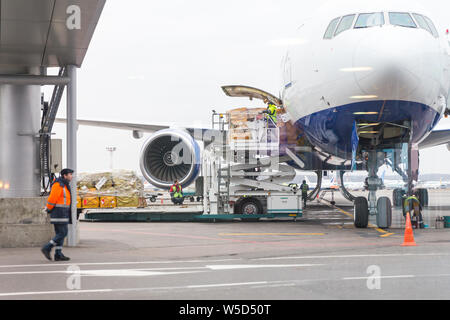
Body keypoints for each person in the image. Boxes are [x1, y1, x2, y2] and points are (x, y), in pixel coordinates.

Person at [41, 168, 74, 261]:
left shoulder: (64, 184)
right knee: (63, 233)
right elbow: (52, 199)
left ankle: (58, 254)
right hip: (59, 213)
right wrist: (48, 209)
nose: (72, 176)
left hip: (63, 213)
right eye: (70, 174)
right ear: (65, 175)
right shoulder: (59, 184)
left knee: (61, 233)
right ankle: (47, 247)